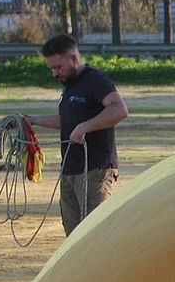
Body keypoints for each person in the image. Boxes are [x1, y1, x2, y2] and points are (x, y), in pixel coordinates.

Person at [25, 34, 128, 235]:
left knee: (93, 234)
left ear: (73, 59)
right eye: (51, 69)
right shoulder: (70, 86)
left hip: (94, 170)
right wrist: (32, 120)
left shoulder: (96, 80)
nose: (55, 73)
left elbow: (119, 110)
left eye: (58, 67)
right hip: (70, 170)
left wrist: (84, 127)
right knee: (73, 236)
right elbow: (69, 123)